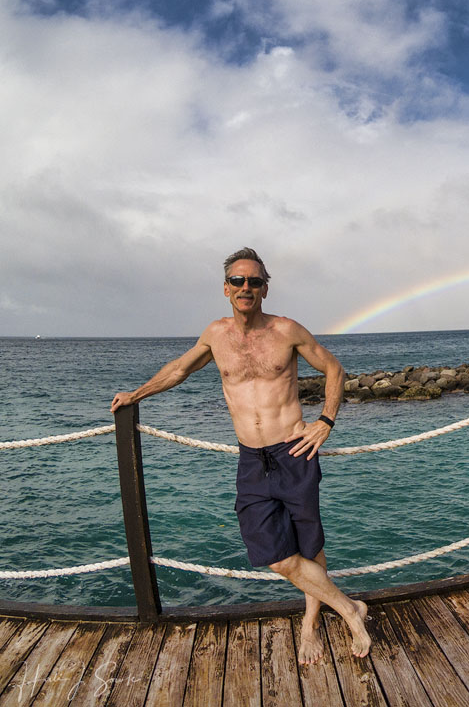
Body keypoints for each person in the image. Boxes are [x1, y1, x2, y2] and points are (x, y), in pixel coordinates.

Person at [110, 247, 370, 664]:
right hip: (252, 460)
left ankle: (310, 624)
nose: (245, 287)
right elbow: (178, 369)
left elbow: (334, 369)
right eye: (238, 281)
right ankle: (349, 608)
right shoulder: (215, 335)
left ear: (265, 288)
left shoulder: (287, 330)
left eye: (254, 281)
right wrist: (134, 395)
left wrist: (325, 421)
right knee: (276, 556)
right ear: (226, 289)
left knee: (309, 544)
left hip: (294, 450)